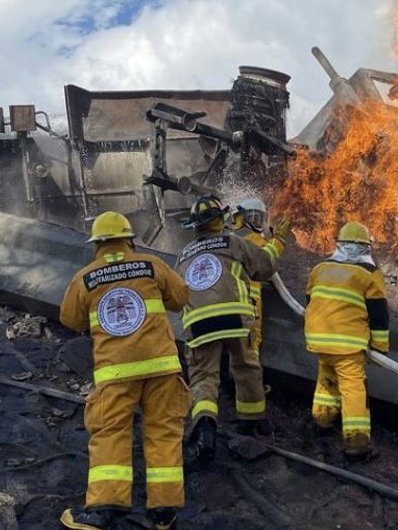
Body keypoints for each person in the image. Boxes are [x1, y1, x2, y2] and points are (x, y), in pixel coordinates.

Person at [58, 212, 189, 530]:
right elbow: (180, 297)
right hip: (161, 366)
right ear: (129, 240)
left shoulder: (84, 277)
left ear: (97, 244)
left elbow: (69, 319)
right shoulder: (151, 264)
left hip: (116, 373)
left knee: (110, 433)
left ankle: (104, 508)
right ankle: (163, 511)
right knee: (163, 433)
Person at [176, 194, 282, 459]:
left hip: (198, 321)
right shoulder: (233, 242)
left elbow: (175, 295)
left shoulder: (182, 256)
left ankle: (204, 426)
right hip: (234, 315)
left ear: (195, 226)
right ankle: (252, 420)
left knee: (203, 376)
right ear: (219, 220)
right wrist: (278, 241)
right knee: (246, 365)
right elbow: (264, 268)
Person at [304, 221, 389, 458]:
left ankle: (321, 422)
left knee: (326, 378)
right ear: (365, 248)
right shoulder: (369, 274)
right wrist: (380, 346)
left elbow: (309, 301)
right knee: (353, 388)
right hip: (347, 343)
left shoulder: (320, 268)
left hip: (318, 338)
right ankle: (356, 444)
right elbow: (379, 314)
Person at [229, 197, 286, 357]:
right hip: (247, 305)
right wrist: (279, 241)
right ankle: (250, 381)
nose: (258, 223)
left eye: (261, 218)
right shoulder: (253, 239)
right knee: (250, 352)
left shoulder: (227, 238)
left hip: (225, 305)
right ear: (242, 217)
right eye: (253, 217)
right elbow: (264, 260)